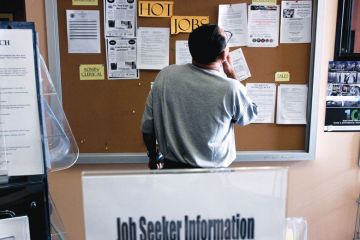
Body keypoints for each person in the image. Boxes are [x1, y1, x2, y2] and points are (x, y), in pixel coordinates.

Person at [140, 24, 258, 169]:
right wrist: (232, 75)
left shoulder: (165, 75)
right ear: (223, 55)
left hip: (171, 173)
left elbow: (147, 128)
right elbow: (249, 116)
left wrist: (153, 156)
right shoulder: (231, 87)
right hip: (213, 177)